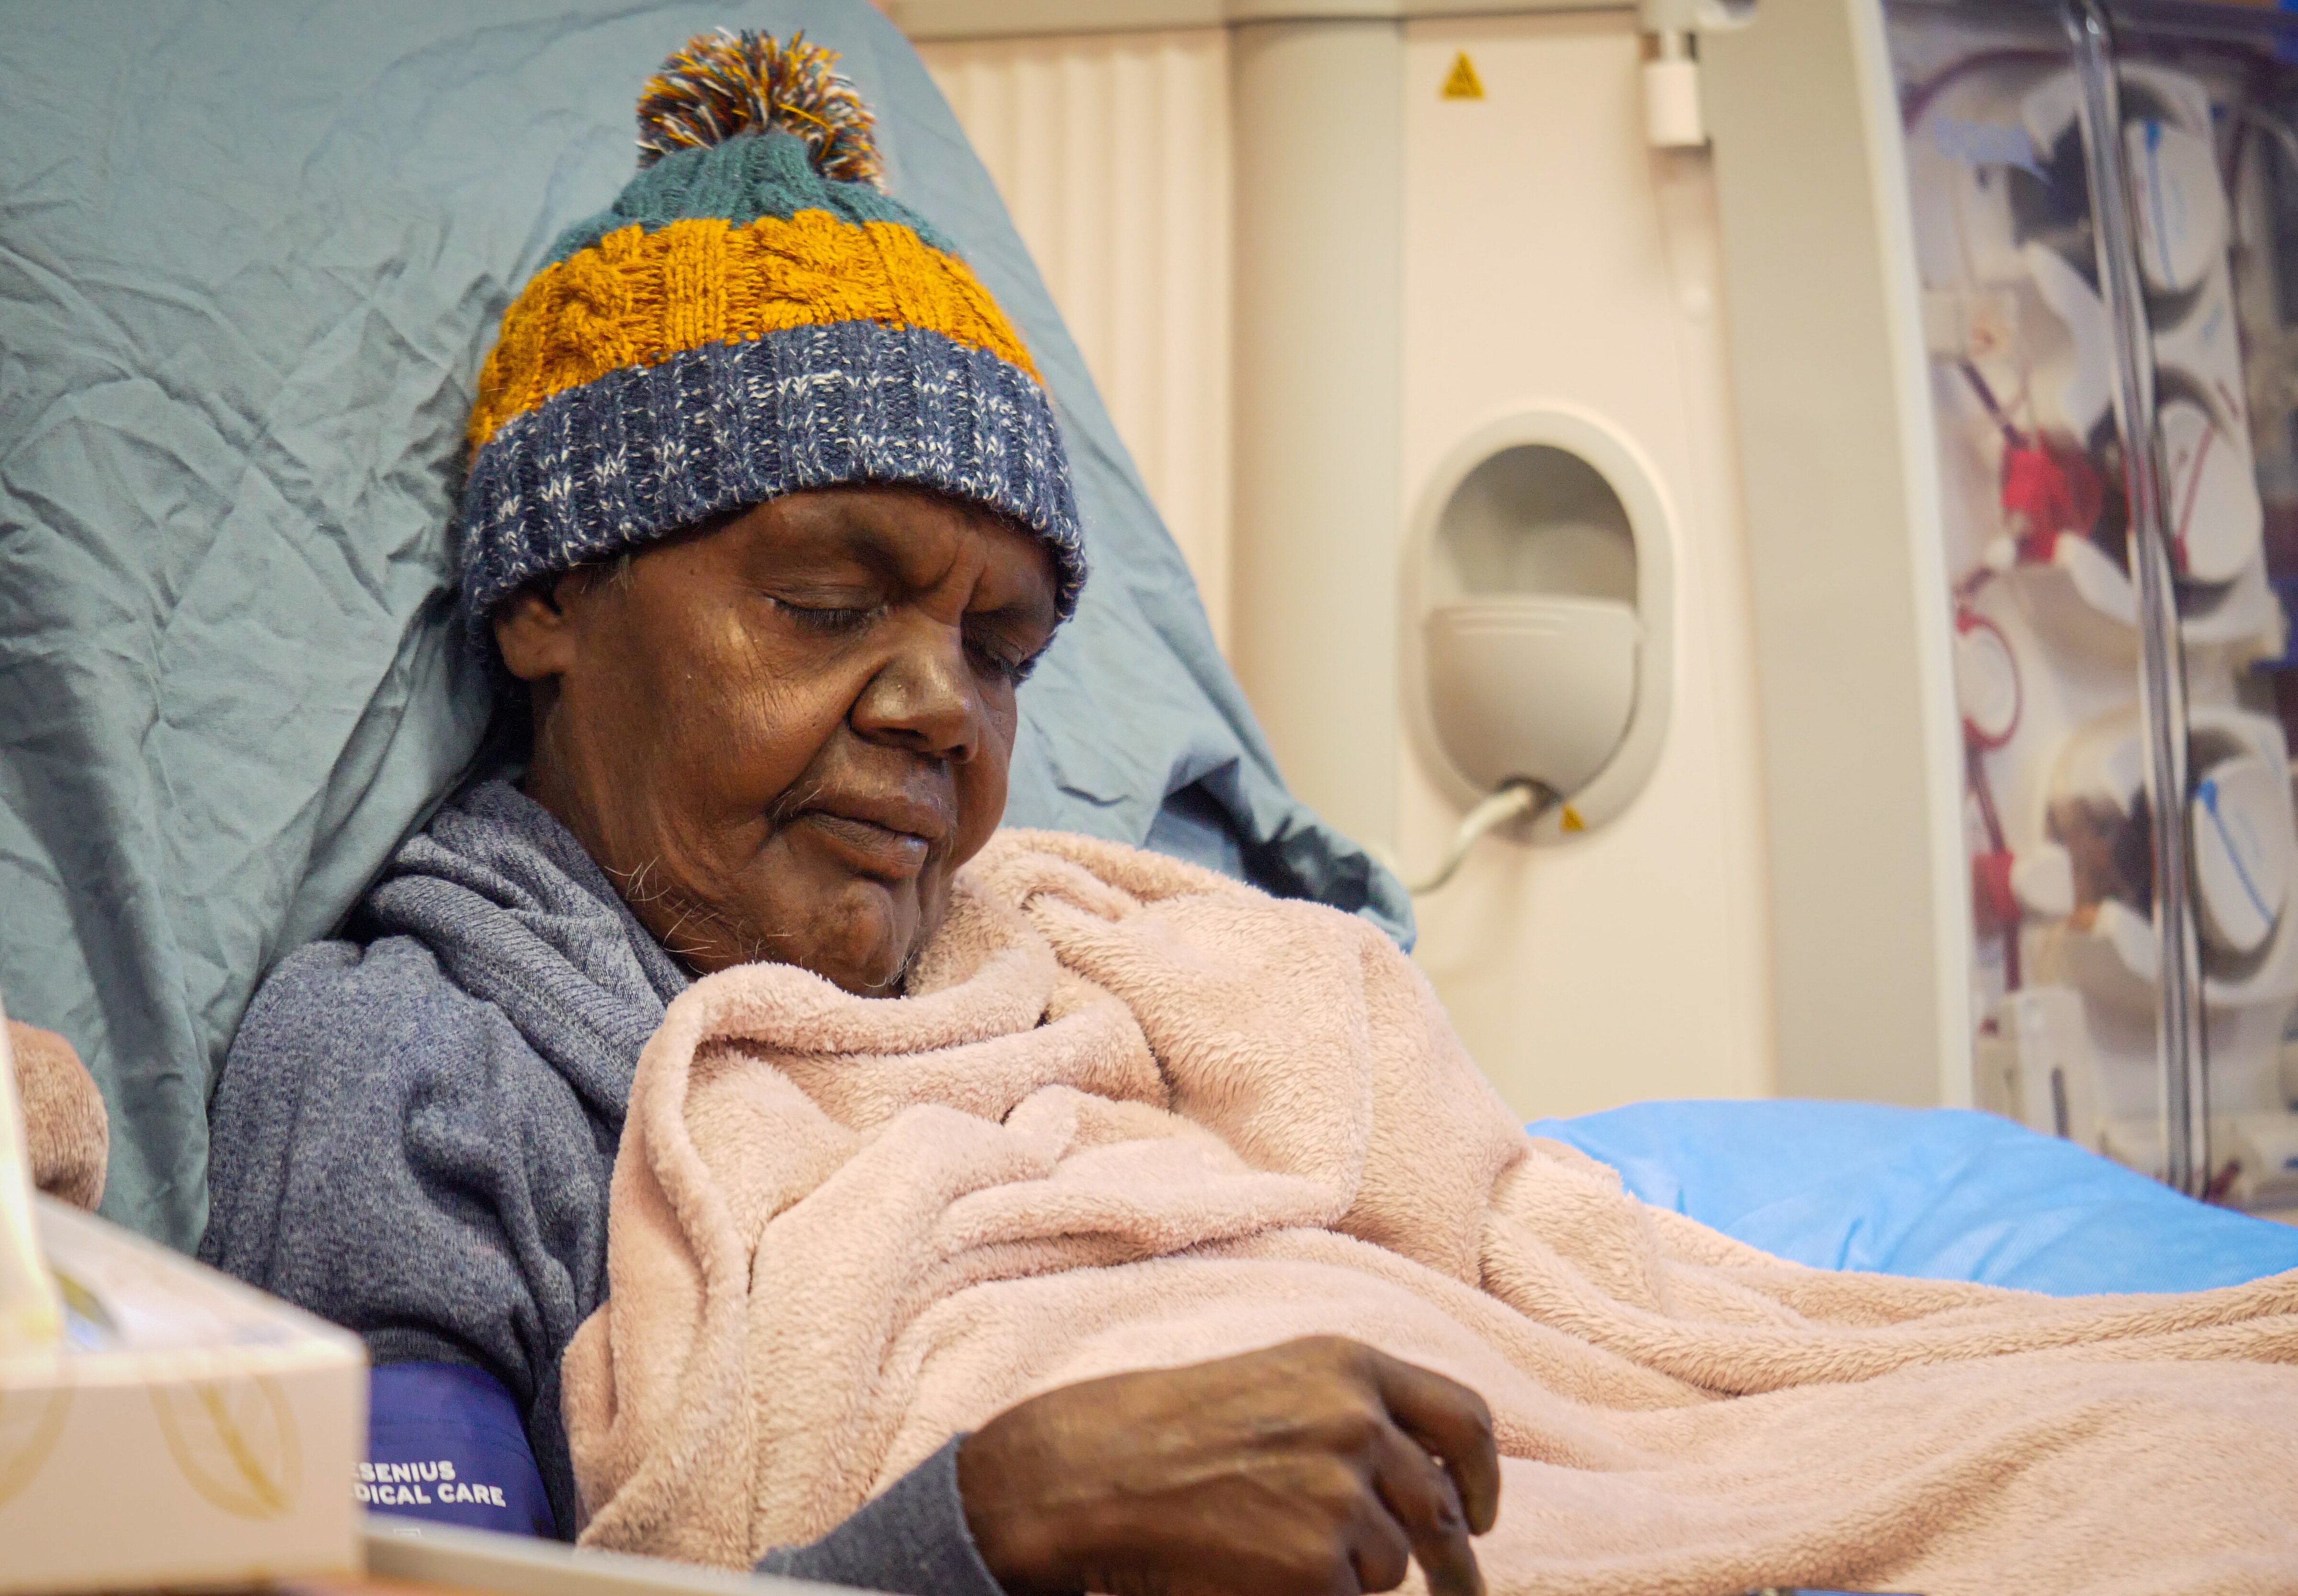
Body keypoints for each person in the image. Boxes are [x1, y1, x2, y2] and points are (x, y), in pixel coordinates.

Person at [201, 31, 1498, 1596]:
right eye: (824, 602)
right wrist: (1003, 1518)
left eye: (1002, 651)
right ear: (551, 596)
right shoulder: (420, 1081)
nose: (945, 706)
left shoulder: (1108, 982)